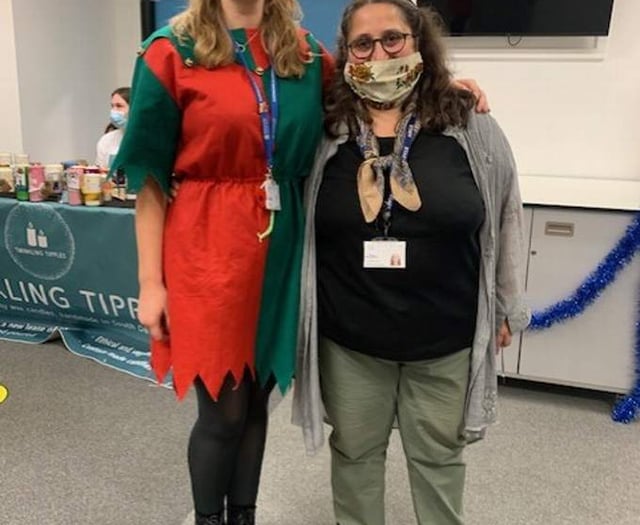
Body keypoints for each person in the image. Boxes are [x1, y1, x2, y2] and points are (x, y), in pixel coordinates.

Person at [115, 0, 487, 524]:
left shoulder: (306, 55)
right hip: (207, 248)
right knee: (223, 409)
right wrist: (150, 281)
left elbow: (377, 90)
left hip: (283, 249)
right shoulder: (171, 52)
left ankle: (243, 515)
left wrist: (449, 86)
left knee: (256, 399)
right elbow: (150, 176)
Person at [293, 1, 530, 524]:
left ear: (418, 43)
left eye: (393, 39)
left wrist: (508, 306)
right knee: (354, 458)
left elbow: (506, 214)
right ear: (347, 54)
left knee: (439, 462)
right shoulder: (323, 130)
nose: (379, 53)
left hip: (444, 339)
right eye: (363, 44)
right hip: (350, 340)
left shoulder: (472, 126)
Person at [95, 86, 130, 168]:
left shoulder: (149, 138)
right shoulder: (107, 140)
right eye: (112, 106)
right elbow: (101, 173)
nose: (114, 111)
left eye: (119, 106)